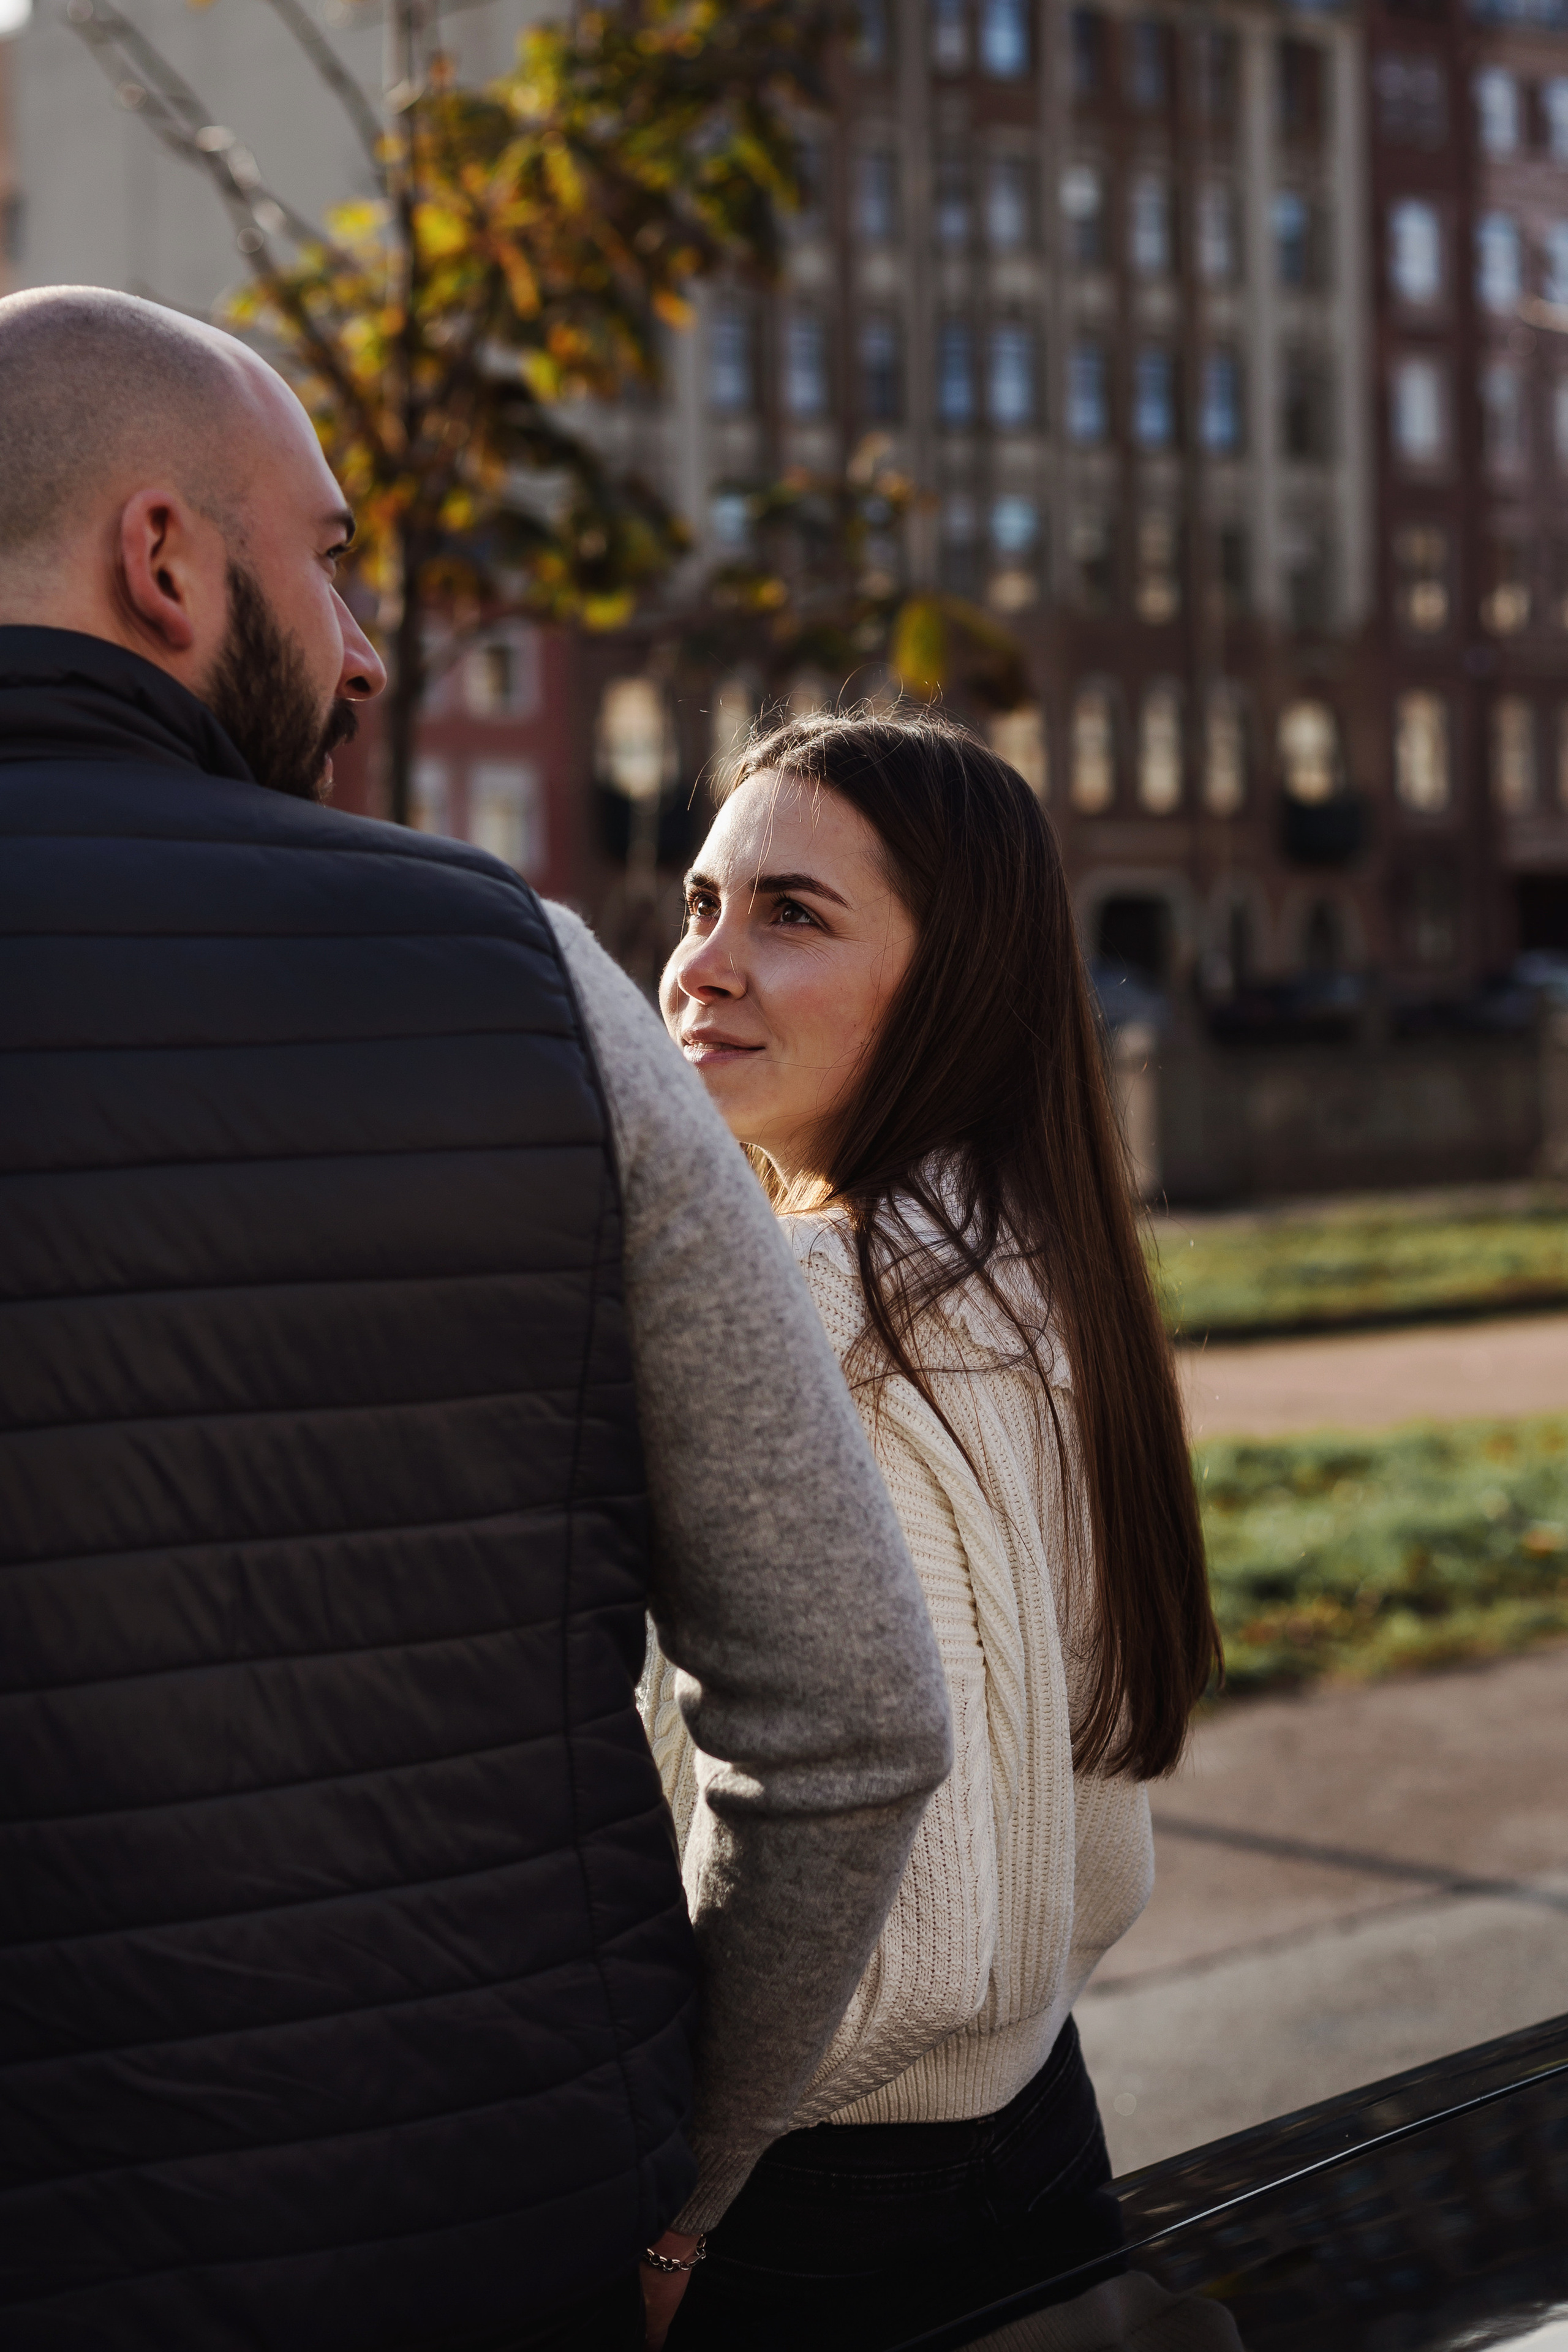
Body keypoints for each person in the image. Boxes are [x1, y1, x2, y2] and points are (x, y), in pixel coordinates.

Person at [0, 290, 952, 2352]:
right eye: (330, 559)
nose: (359, 650)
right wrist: (675, 2178)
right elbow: (857, 1715)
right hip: (503, 2250)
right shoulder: (520, 978)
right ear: (163, 563)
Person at [650, 711, 1224, 2350]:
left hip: (803, 2211)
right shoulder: (1045, 1276)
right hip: (1041, 2130)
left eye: (793, 915)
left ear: (953, 985)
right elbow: (1098, 1864)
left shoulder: (817, 1317)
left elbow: (913, 1953)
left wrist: (687, 2198)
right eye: (701, 904)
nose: (703, 965)